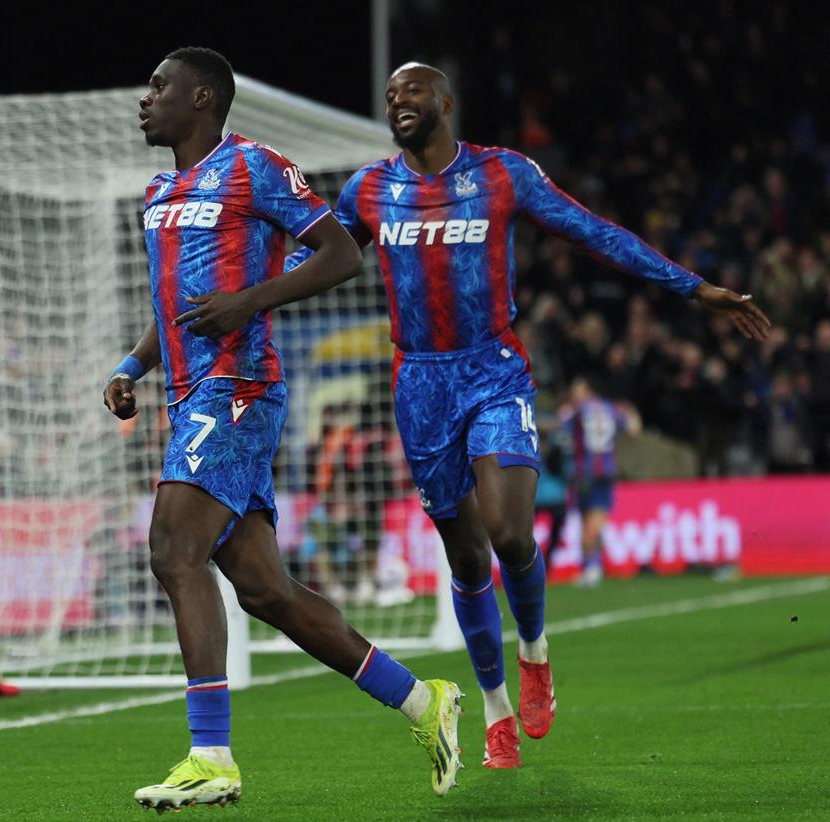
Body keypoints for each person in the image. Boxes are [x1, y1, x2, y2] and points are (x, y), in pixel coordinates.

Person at [286, 63, 771, 769]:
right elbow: (322, 258)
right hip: (419, 385)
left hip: (493, 369)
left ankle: (535, 653)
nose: (399, 102)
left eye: (413, 90)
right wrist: (248, 285)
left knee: (510, 533)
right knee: (465, 556)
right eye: (390, 96)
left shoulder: (502, 174)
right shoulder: (370, 189)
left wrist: (692, 289)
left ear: (446, 100)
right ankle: (495, 709)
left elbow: (592, 232)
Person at [104, 48, 463, 811]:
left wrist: (251, 302)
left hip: (239, 389)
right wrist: (132, 366)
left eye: (159, 87)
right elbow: (173, 301)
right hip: (189, 393)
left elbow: (340, 256)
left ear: (201, 98)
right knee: (266, 591)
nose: (146, 99)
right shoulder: (160, 189)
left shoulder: (255, 167)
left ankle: (211, 756)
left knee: (173, 548)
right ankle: (422, 702)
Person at [555, 375, 641, 587]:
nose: (574, 393)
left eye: (577, 389)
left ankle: (591, 567)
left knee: (588, 521)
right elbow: (633, 430)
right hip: (607, 470)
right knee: (597, 519)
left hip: (584, 470)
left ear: (587, 390)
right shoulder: (612, 409)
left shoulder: (577, 410)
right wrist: (631, 411)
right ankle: (593, 567)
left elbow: (560, 425)